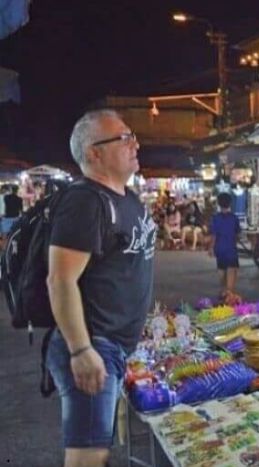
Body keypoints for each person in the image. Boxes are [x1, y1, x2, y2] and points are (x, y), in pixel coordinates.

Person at [45, 109, 156, 467]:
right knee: (86, 457)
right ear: (95, 152)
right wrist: (80, 350)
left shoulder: (127, 198)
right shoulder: (85, 201)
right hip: (94, 344)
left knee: (99, 449)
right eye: (124, 138)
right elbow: (60, 279)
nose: (135, 143)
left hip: (114, 346)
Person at [209, 192, 240, 297]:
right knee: (232, 270)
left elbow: (214, 234)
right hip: (231, 248)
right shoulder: (234, 218)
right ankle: (229, 294)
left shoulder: (215, 218)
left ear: (218, 204)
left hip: (219, 248)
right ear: (230, 203)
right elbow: (237, 234)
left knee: (221, 270)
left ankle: (224, 291)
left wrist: (211, 247)